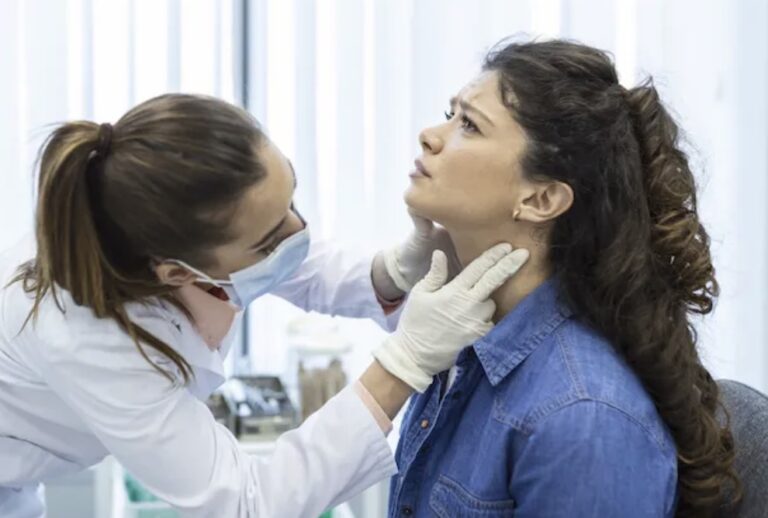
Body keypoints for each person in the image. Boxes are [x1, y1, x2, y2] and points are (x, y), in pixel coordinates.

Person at [0, 93, 529, 517]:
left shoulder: (175, 214)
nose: (299, 232)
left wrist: (390, 271)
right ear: (177, 272)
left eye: (290, 200)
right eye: (273, 239)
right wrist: (404, 363)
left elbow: (286, 256)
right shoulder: (81, 334)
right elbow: (246, 504)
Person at [389, 39, 740, 517]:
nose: (430, 136)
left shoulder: (583, 418)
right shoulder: (461, 344)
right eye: (449, 115)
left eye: (469, 124)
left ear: (541, 200)